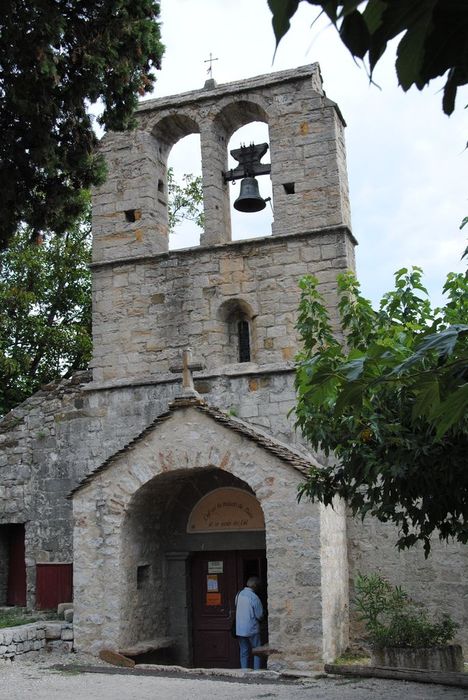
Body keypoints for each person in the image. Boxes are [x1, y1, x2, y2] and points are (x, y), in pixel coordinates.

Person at [235, 575, 263, 670]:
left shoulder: (238, 595)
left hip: (240, 628)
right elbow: (259, 615)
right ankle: (256, 671)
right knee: (257, 650)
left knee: (244, 651)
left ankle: (244, 670)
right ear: (255, 586)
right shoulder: (254, 597)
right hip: (252, 628)